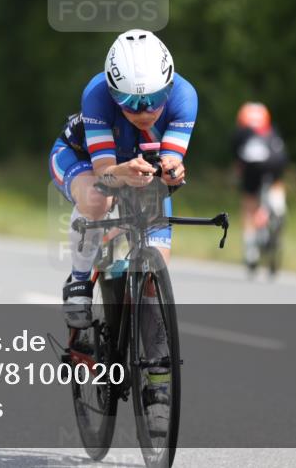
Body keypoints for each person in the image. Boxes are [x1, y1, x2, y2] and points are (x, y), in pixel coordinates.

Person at [48, 29, 196, 433]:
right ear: (113, 93)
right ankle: (80, 279)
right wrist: (121, 174)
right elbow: (104, 172)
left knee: (153, 282)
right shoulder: (96, 94)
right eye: (129, 101)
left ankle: (159, 387)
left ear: (170, 85)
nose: (144, 110)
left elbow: (170, 162)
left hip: (140, 172)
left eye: (153, 99)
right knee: (99, 200)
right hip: (82, 160)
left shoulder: (185, 96)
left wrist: (173, 170)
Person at [232, 102, 287, 268]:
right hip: (275, 162)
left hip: (251, 167)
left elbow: (238, 162)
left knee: (249, 203)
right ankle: (278, 208)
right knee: (276, 183)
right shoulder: (272, 130)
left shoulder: (240, 133)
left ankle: (251, 250)